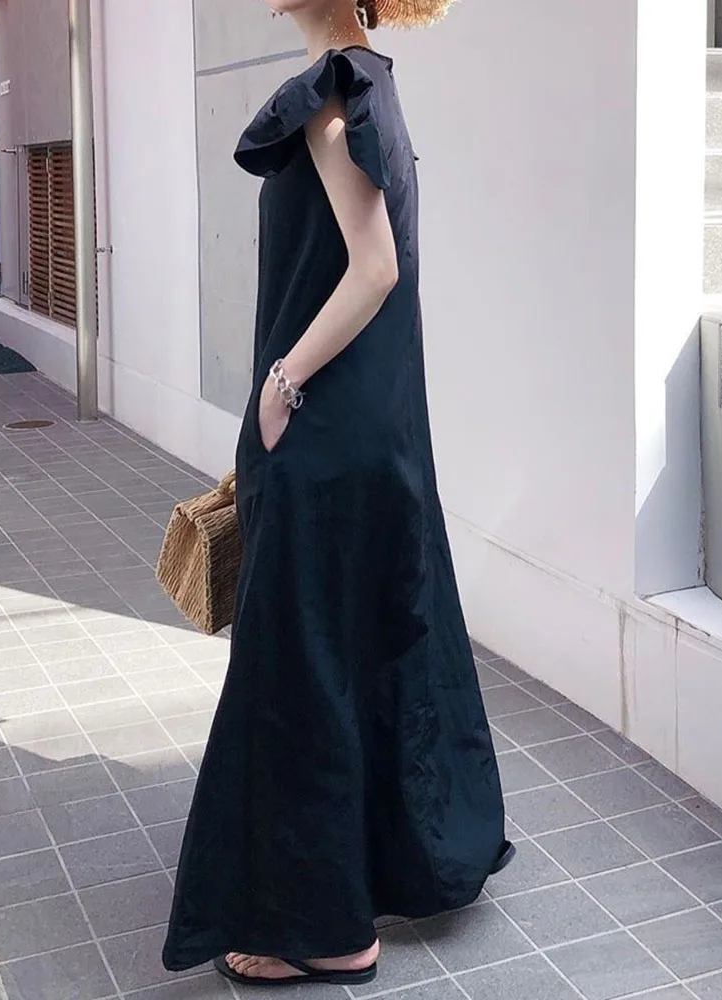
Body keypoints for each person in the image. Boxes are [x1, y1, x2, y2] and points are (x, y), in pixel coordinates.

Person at [162, 0, 512, 987]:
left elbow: (374, 268)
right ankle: (368, 876)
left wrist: (281, 384)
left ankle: (327, 930)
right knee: (354, 651)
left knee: (298, 668)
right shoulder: (370, 88)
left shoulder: (331, 98)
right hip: (366, 433)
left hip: (324, 436)